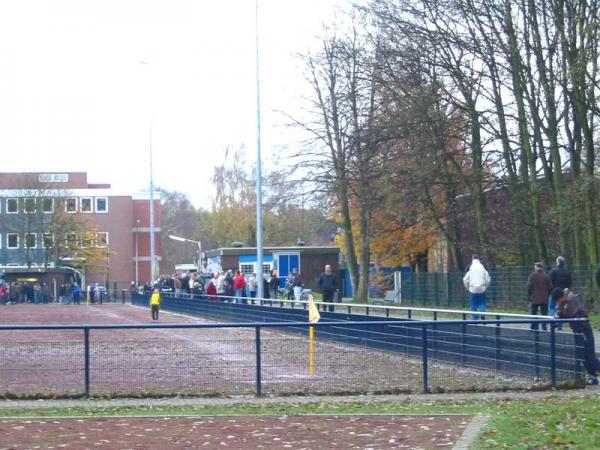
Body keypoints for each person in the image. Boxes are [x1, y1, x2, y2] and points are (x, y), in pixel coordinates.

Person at [552, 287, 600, 385]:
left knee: (590, 357)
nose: (558, 302)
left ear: (560, 297)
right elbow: (561, 311)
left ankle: (593, 375)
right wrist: (558, 313)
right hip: (577, 329)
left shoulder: (570, 299)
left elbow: (569, 313)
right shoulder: (564, 300)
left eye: (558, 300)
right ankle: (593, 377)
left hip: (584, 329)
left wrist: (559, 315)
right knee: (582, 355)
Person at [462, 255, 491, 320]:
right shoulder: (482, 267)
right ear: (479, 259)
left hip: (472, 289)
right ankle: (483, 315)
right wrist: (485, 287)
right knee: (482, 303)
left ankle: (475, 318)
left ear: (472, 259)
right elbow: (488, 279)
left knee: (473, 305)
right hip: (482, 288)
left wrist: (468, 288)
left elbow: (465, 279)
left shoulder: (471, 267)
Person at [527, 262, 552, 330]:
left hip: (534, 297)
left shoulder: (532, 275)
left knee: (534, 313)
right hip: (544, 298)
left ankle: (534, 326)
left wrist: (529, 295)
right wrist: (547, 294)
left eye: (535, 266)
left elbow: (529, 286)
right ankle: (544, 326)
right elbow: (550, 287)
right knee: (544, 313)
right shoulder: (546, 276)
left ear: (536, 267)